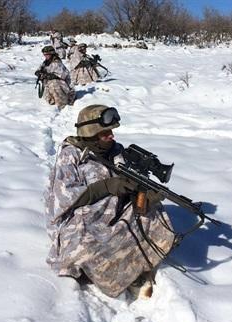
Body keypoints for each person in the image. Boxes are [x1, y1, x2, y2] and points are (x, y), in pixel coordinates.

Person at [45, 105, 177, 299]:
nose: (112, 136)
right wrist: (106, 186)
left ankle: (135, 264)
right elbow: (64, 198)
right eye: (105, 133)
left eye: (112, 131)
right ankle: (112, 271)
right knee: (82, 249)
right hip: (81, 220)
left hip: (114, 213)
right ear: (91, 133)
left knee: (153, 213)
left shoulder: (116, 152)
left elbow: (128, 183)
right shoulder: (71, 154)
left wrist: (144, 193)